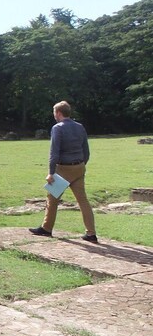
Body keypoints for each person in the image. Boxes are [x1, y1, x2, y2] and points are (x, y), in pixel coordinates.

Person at [30, 101, 98, 243]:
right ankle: (91, 233)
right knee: (83, 201)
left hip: (63, 168)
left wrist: (51, 173)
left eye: (54, 112)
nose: (54, 115)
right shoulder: (80, 127)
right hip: (79, 167)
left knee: (52, 198)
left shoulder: (57, 128)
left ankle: (47, 228)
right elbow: (86, 151)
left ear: (59, 113)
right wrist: (81, 164)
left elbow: (54, 153)